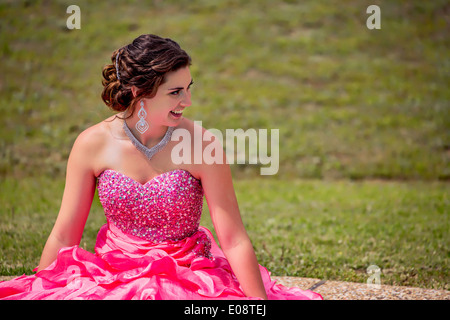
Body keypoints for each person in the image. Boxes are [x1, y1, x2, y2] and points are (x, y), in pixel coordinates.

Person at [0, 34, 322, 300]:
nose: (188, 101)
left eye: (189, 87)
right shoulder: (91, 144)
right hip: (112, 276)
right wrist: (40, 289)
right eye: (175, 92)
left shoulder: (203, 144)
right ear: (139, 91)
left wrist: (258, 305)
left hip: (187, 278)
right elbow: (64, 234)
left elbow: (234, 238)